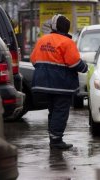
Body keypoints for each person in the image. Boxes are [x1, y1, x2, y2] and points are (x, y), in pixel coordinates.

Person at [30, 14, 88, 150]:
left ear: (54, 26)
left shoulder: (42, 40)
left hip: (43, 83)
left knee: (53, 111)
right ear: (67, 28)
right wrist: (85, 67)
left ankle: (53, 138)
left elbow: (33, 60)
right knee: (60, 112)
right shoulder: (67, 42)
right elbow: (74, 63)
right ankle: (56, 141)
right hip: (62, 85)